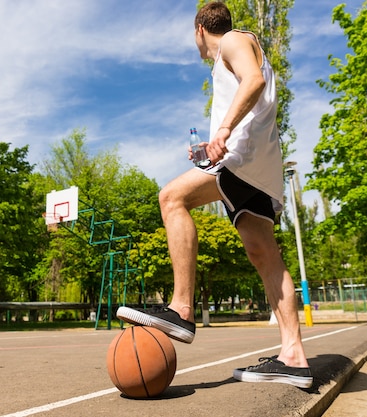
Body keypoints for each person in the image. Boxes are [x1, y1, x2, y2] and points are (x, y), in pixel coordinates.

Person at [117, 2, 311, 389]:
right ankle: (294, 357)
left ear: (199, 30)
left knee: (171, 198)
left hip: (243, 161)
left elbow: (253, 81)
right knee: (264, 254)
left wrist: (222, 131)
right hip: (259, 168)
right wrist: (213, 144)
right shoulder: (237, 52)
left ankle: (181, 310)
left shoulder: (234, 41)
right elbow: (252, 100)